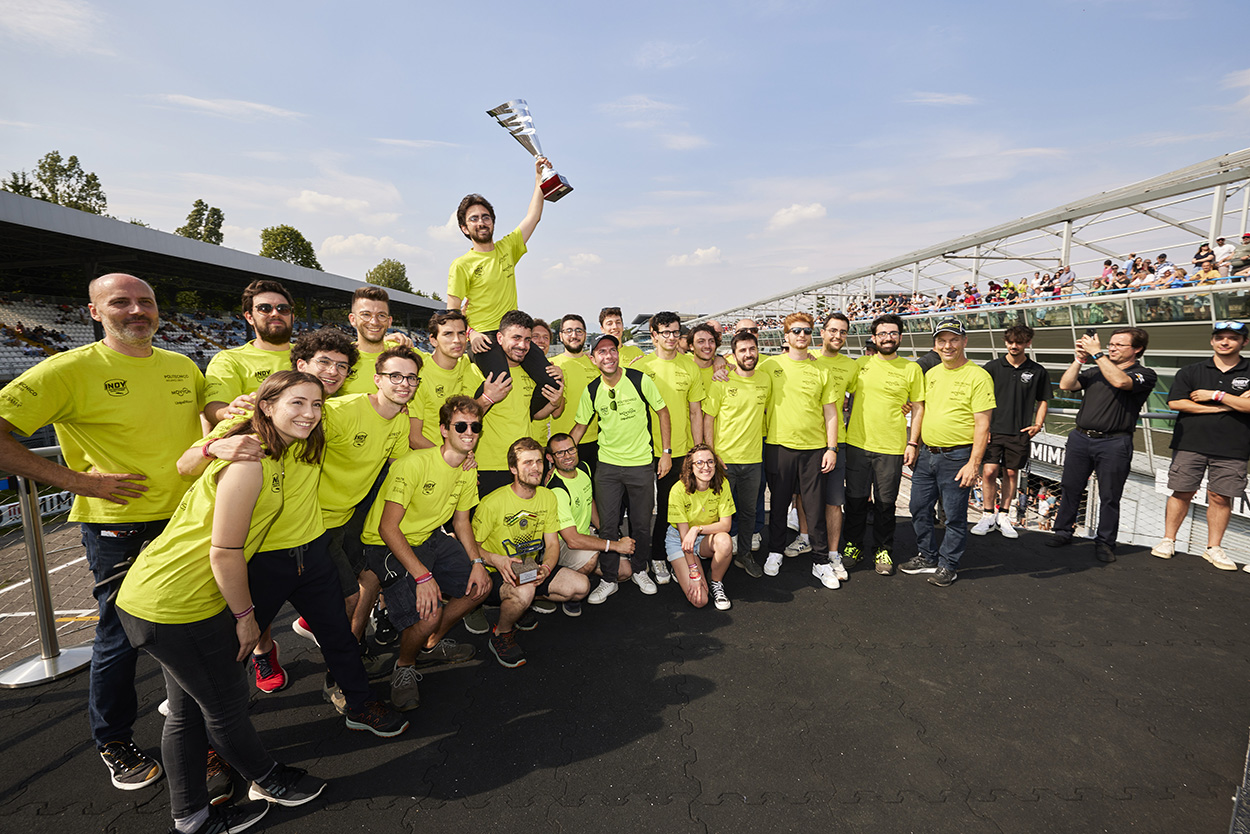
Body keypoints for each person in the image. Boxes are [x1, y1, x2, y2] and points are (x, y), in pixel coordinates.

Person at [0, 273, 204, 791]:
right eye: (121, 302)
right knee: (120, 635)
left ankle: (190, 711)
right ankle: (112, 737)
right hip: (121, 526)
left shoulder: (182, 365)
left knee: (197, 623)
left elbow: (211, 420)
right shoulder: (68, 369)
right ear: (94, 312)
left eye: (146, 302)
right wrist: (75, 481)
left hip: (187, 519)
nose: (137, 310)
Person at [116, 372, 333, 834]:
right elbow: (225, 551)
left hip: (155, 594)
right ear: (267, 404)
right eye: (297, 403)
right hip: (179, 601)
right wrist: (246, 619)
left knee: (187, 710)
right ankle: (269, 780)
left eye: (317, 406)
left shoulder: (267, 450)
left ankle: (191, 815)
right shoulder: (249, 458)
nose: (310, 415)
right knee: (226, 707)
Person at [365, 396, 493, 710]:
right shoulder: (413, 465)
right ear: (444, 430)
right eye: (460, 426)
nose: (468, 432)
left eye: (474, 426)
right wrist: (423, 576)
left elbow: (462, 521)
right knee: (428, 611)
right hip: (387, 544)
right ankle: (404, 666)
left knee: (481, 586)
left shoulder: (466, 468)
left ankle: (430, 642)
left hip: (430, 538)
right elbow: (387, 528)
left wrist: (477, 562)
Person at [446, 159, 560, 416]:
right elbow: (452, 313)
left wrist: (538, 177)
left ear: (493, 222)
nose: (481, 222)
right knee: (501, 382)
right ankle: (462, 423)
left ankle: (527, 419)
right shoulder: (461, 264)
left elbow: (534, 216)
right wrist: (470, 335)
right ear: (465, 228)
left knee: (552, 381)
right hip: (483, 337)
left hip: (512, 334)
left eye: (485, 217)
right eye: (473, 219)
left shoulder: (507, 249)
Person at [570, 334, 671, 600]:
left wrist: (666, 453)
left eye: (612, 350)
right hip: (608, 468)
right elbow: (580, 427)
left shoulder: (639, 380)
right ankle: (610, 578)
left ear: (618, 353)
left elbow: (662, 412)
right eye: (601, 352)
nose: (608, 356)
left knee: (640, 524)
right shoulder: (592, 390)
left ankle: (640, 570)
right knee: (608, 525)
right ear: (594, 359)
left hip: (640, 465)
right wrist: (560, 454)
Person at [473, 438, 590, 667]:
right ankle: (502, 634)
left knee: (581, 587)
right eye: (527, 463)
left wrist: (546, 568)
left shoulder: (547, 497)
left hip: (531, 569)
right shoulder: (492, 503)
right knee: (523, 590)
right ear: (513, 469)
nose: (535, 467)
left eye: (538, 461)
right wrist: (496, 559)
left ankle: (520, 604)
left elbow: (553, 544)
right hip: (497, 573)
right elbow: (470, 546)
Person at [1046, 327, 1157, 561]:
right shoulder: (1096, 370)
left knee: (1109, 495)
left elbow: (1120, 382)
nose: (1112, 347)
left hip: (1114, 442)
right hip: (1080, 438)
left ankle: (1105, 542)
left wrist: (1097, 354)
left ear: (1137, 349)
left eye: (1119, 345)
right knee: (1070, 488)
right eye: (1111, 344)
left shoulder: (1144, 374)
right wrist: (1079, 359)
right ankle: (1063, 531)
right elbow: (1066, 385)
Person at [899, 318, 995, 587]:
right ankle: (927, 556)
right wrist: (914, 442)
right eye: (942, 340)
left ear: (964, 341)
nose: (948, 345)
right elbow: (922, 410)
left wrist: (974, 463)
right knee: (918, 508)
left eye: (954, 339)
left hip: (957, 457)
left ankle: (948, 564)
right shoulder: (931, 374)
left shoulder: (978, 376)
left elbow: (983, 425)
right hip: (927, 454)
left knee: (954, 516)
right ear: (935, 345)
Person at [1151, 321, 1250, 571]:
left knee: (1220, 497)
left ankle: (1213, 548)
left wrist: (1215, 395)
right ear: (1212, 341)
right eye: (1220, 337)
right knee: (1181, 491)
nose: (1225, 342)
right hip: (1190, 443)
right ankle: (1168, 540)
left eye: (1232, 338)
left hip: (1234, 446)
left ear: (1244, 342)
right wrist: (1229, 404)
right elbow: (1176, 403)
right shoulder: (1192, 370)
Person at [759, 313, 843, 589]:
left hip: (814, 450)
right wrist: (722, 366)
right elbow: (739, 366)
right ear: (786, 336)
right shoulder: (770, 366)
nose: (801, 336)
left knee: (814, 507)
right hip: (779, 445)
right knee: (780, 504)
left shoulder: (822, 370)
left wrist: (831, 448)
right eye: (796, 331)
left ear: (811, 335)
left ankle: (820, 561)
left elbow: (831, 412)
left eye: (806, 331)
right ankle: (775, 551)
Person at [843, 314, 925, 575]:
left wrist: (913, 442)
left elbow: (919, 407)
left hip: (891, 447)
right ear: (874, 338)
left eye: (892, 333)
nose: (887, 338)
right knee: (855, 501)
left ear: (900, 337)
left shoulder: (911, 369)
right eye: (882, 334)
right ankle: (852, 546)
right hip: (857, 443)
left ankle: (883, 550)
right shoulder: (861, 364)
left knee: (885, 504)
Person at [635, 311, 705, 588]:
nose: (672, 338)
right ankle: (638, 562)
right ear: (653, 335)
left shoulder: (690, 367)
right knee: (641, 511)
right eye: (665, 332)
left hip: (678, 451)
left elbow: (696, 411)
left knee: (670, 509)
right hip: (642, 450)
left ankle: (661, 556)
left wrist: (698, 450)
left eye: (676, 332)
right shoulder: (639, 367)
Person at [702, 330, 771, 578]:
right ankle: (717, 556)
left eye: (752, 349)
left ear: (757, 351)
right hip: (724, 460)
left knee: (750, 511)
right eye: (742, 350)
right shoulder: (721, 380)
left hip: (753, 460)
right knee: (719, 512)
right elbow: (708, 419)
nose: (748, 354)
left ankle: (744, 554)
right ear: (734, 354)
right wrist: (712, 454)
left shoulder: (765, 379)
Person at [970, 325, 1050, 538]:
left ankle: (1004, 515)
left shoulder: (1037, 371)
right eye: (1011, 342)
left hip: (1019, 431)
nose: (1014, 346)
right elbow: (977, 399)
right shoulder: (992, 367)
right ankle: (987, 514)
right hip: (992, 430)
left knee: (1012, 472)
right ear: (1005, 342)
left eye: (1019, 342)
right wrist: (981, 427)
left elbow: (1043, 399)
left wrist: (1038, 424)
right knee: (988, 472)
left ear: (1028, 343)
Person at [474, 310, 564, 497]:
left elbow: (534, 415)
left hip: (523, 465)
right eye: (516, 338)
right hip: (489, 466)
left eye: (527, 340)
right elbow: (465, 418)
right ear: (499, 337)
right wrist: (487, 398)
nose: (522, 345)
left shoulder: (532, 375)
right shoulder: (476, 372)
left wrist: (553, 403)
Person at [544, 433, 635, 610]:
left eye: (570, 450)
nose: (567, 456)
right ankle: (568, 591)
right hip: (562, 544)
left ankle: (586, 567)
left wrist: (606, 532)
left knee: (625, 572)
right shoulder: (557, 489)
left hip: (586, 535)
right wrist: (614, 545)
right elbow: (572, 540)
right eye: (560, 453)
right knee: (591, 557)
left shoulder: (584, 468)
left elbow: (589, 501)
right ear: (550, 458)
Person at [408, 309, 506, 448]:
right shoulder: (419, 374)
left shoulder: (467, 364)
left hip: (460, 459)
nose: (457, 340)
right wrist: (449, 457)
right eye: (448, 334)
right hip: (429, 462)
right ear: (433, 340)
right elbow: (414, 438)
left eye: (461, 333)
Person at [204, 280, 296, 426]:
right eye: (264, 308)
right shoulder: (229, 360)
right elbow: (214, 408)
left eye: (283, 309)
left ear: (292, 316)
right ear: (249, 317)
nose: (275, 313)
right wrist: (228, 410)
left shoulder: (312, 355)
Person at [814, 313, 859, 579]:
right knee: (804, 497)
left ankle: (833, 553)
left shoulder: (852, 367)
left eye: (842, 332)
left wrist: (904, 403)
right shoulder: (806, 359)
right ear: (822, 332)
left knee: (833, 501)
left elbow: (863, 395)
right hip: (806, 442)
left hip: (835, 443)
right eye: (833, 330)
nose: (837, 336)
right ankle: (806, 538)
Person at [666, 444, 735, 609]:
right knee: (700, 601)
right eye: (700, 463)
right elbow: (685, 539)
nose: (706, 467)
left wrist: (697, 529)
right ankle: (682, 568)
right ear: (690, 467)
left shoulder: (722, 484)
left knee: (725, 542)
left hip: (706, 535)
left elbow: (726, 525)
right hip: (680, 540)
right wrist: (694, 573)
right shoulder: (678, 491)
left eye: (710, 462)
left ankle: (716, 582)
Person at [339, 286, 416, 395]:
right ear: (353, 319)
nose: (374, 322)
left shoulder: (403, 352)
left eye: (381, 315)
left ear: (389, 321)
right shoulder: (341, 358)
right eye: (366, 314)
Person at [550, 314, 600, 474]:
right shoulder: (552, 365)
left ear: (585, 334)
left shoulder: (596, 364)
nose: (574, 335)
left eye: (579, 331)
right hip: (562, 444)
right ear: (561, 335)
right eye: (569, 331)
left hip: (596, 442)